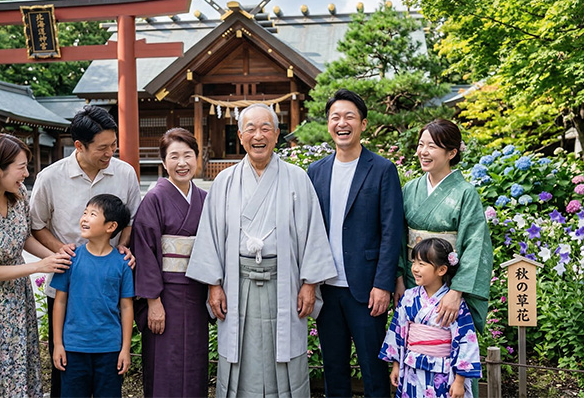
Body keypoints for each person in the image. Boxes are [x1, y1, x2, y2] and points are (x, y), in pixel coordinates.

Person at [186, 103, 337, 398]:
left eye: (266, 128)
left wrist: (310, 283)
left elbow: (313, 233)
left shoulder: (297, 179)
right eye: (251, 129)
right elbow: (211, 237)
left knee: (286, 352)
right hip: (236, 282)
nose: (259, 135)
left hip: (286, 282)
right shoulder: (224, 182)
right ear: (240, 136)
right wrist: (213, 286)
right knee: (238, 352)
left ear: (277, 134)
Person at [30, 105, 141, 397]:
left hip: (108, 286)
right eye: (103, 148)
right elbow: (36, 225)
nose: (110, 154)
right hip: (67, 286)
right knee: (66, 377)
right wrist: (61, 251)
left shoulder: (125, 173)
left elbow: (131, 221)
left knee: (108, 373)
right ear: (78, 146)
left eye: (114, 145)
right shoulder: (50, 178)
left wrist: (124, 248)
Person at [0, 133, 72, 398]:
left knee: (18, 363)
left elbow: (24, 237)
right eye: (21, 167)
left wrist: (57, 257)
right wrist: (40, 266)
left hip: (17, 297)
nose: (26, 174)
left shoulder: (18, 196)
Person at [307, 88, 404, 397]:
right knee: (333, 369)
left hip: (366, 290)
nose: (342, 123)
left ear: (363, 123)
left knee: (373, 370)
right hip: (327, 288)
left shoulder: (382, 169)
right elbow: (307, 230)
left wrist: (383, 284)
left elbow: (392, 231)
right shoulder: (315, 171)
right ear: (328, 124)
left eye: (349, 116)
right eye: (335, 117)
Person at [130, 128, 210, 397]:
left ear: (197, 158)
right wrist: (152, 302)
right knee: (164, 364)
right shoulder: (154, 198)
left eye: (188, 155)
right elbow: (144, 251)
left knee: (195, 361)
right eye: (174, 156)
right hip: (165, 296)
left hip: (197, 292)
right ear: (164, 162)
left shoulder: (205, 199)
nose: (182, 163)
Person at [396, 119, 493, 334]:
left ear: (451, 153)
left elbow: (476, 245)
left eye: (432, 146)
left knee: (447, 345)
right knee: (413, 341)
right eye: (421, 145)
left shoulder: (465, 193)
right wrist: (399, 279)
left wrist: (457, 291)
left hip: (447, 283)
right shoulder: (410, 189)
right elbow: (398, 237)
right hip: (414, 281)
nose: (424, 151)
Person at [51, 194, 134, 397]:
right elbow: (60, 302)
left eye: (92, 214)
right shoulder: (70, 259)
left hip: (110, 351)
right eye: (84, 213)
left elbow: (126, 307)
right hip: (74, 349)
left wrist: (125, 349)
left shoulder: (122, 264)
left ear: (110, 226)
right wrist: (58, 344)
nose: (84, 218)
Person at [380, 238, 482, 398]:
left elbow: (465, 341)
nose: (414, 268)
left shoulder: (454, 303)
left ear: (441, 270)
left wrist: (460, 381)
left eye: (422, 264)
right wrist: (396, 365)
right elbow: (398, 332)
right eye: (414, 262)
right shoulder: (409, 297)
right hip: (411, 369)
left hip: (442, 372)